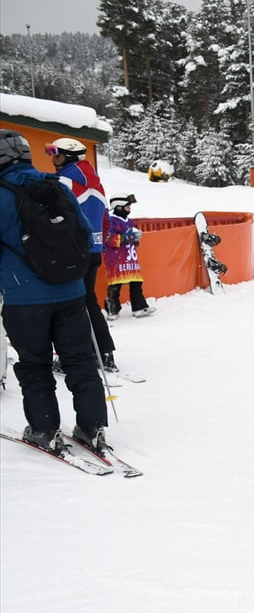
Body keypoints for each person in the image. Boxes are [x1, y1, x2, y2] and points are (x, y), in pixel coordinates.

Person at [0, 129, 108, 452]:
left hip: (23, 297)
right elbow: (85, 232)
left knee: (35, 365)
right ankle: (92, 427)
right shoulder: (56, 186)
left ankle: (44, 429)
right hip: (71, 292)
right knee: (80, 360)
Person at [47, 137, 117, 372]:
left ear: (68, 156)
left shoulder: (62, 182)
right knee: (88, 300)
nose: (52, 159)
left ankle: (78, 356)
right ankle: (104, 352)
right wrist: (97, 243)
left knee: (68, 304)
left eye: (55, 154)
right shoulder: (97, 184)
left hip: (70, 251)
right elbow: (105, 220)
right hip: (92, 250)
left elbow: (53, 217)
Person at [103, 193, 155, 319]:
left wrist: (135, 239)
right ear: (119, 207)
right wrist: (127, 237)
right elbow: (108, 238)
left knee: (136, 283)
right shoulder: (111, 221)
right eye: (127, 207)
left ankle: (139, 307)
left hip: (130, 258)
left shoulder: (129, 222)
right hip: (116, 259)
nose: (129, 209)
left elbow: (131, 239)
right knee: (115, 285)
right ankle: (112, 310)